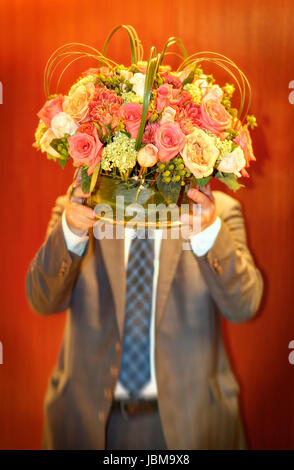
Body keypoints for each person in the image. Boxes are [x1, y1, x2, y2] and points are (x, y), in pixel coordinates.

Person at [25, 182, 263, 450]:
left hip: (192, 423)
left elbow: (244, 305)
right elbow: (41, 300)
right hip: (88, 424)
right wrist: (71, 233)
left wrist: (207, 234)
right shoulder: (82, 208)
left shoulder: (214, 211)